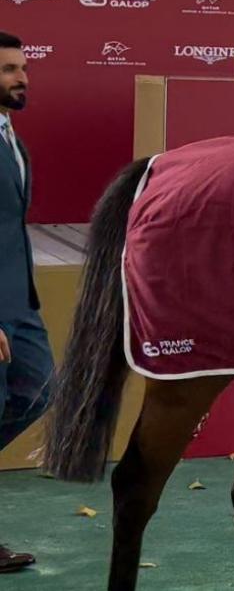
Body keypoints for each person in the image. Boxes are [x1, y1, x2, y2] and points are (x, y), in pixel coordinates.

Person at [0, 31, 52, 574]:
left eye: (23, 68)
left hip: (19, 302)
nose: (22, 79)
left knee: (39, 390)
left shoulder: (9, 133)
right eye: (9, 70)